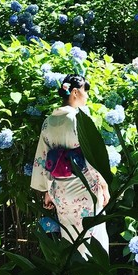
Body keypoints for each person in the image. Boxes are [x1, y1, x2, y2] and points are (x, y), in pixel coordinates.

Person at [31, 74, 110, 257]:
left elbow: (43, 159)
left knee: (71, 238)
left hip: (60, 191)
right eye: (85, 91)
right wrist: (104, 184)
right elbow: (92, 156)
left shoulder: (49, 121)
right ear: (75, 92)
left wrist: (47, 191)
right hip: (84, 187)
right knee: (93, 237)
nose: (87, 96)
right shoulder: (79, 119)